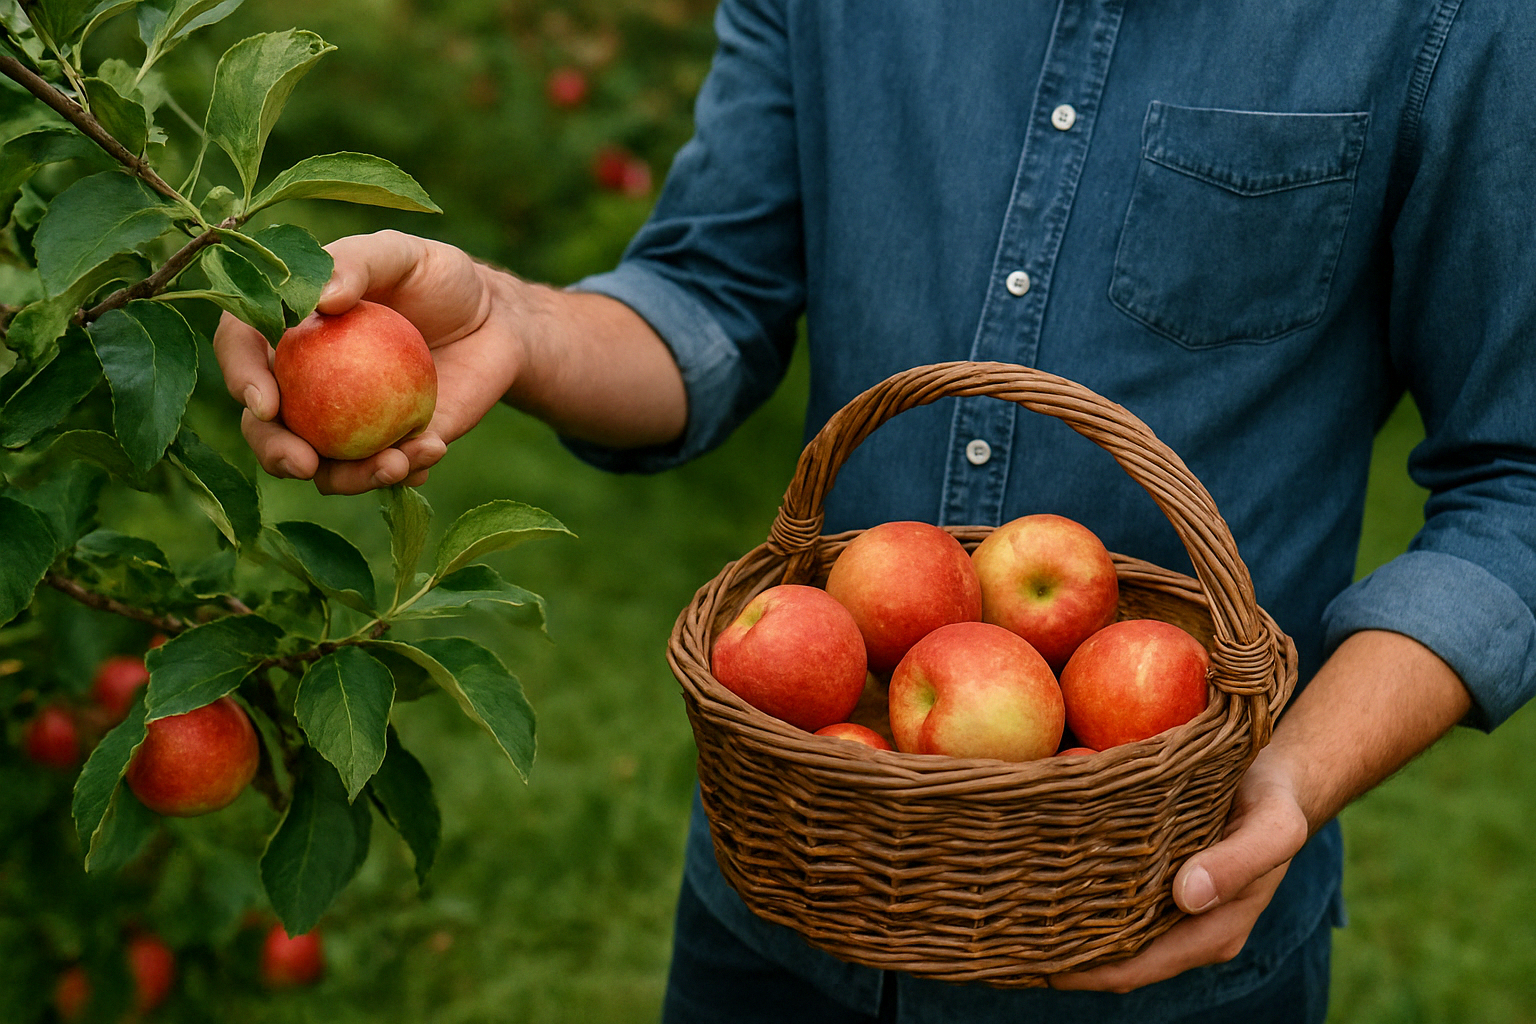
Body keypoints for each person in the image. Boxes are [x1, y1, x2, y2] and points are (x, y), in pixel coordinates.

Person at [214, 1, 1536, 1020]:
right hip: (790, 886)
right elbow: (711, 299)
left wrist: (1294, 778)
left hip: (1159, 918)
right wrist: (508, 317)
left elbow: (1516, 480)